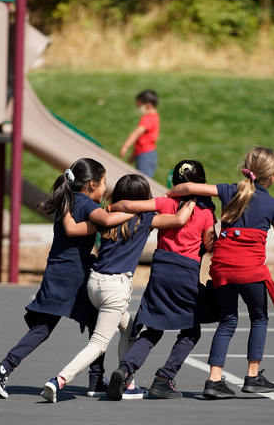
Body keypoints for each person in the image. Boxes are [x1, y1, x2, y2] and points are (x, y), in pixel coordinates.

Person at [40, 174, 196, 403]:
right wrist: (193, 198)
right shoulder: (145, 220)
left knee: (128, 329)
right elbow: (179, 219)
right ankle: (59, 380)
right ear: (142, 198)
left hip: (94, 284)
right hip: (116, 288)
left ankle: (128, 383)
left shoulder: (107, 217)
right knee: (99, 344)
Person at [0, 158, 133, 399]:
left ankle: (5, 367)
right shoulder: (86, 204)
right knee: (98, 326)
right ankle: (93, 379)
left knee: (46, 327)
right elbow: (104, 222)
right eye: (105, 182)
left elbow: (75, 229)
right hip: (75, 275)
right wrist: (132, 212)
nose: (106, 188)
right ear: (92, 184)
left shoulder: (69, 199)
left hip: (55, 270)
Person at [164, 146, 274, 399]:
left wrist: (170, 193)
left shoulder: (228, 191)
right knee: (259, 318)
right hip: (251, 272)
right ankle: (252, 376)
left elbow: (189, 188)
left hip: (222, 270)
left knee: (227, 321)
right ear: (273, 178)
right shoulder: (273, 204)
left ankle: (214, 380)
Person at [105, 160, 219, 401]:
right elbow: (210, 246)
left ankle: (125, 369)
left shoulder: (166, 203)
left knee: (153, 329)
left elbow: (127, 205)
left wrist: (113, 206)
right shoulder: (206, 212)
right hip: (185, 272)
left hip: (160, 270)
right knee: (191, 331)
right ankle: (164, 378)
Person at [120, 89, 160, 179]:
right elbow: (142, 139)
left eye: (140, 106)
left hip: (146, 155)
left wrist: (126, 145)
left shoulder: (149, 118)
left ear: (148, 105)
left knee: (142, 181)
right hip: (143, 154)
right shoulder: (153, 117)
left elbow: (137, 133)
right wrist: (134, 154)